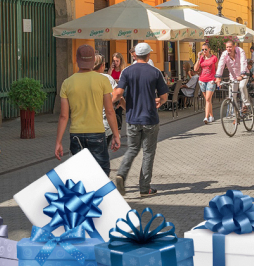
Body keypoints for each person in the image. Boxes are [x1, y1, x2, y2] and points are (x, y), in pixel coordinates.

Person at [55, 45, 121, 176]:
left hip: (76, 134)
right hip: (97, 133)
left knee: (79, 174)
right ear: (92, 61)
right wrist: (116, 135)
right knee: (101, 173)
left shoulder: (67, 83)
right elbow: (109, 111)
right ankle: (98, 195)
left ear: (76, 59)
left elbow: (63, 116)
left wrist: (58, 142)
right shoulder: (102, 80)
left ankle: (84, 195)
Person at [114, 43, 169, 198]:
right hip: (150, 118)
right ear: (149, 55)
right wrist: (160, 101)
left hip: (132, 118)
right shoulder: (155, 72)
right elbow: (164, 96)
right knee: (148, 152)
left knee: (132, 149)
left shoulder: (127, 71)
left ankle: (121, 175)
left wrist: (110, 103)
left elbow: (118, 93)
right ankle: (144, 188)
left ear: (135, 55)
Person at [93, 53, 125, 146]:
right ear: (102, 65)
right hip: (103, 126)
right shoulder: (106, 78)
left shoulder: (80, 78)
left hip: (83, 128)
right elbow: (118, 95)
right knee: (101, 156)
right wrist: (116, 135)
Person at [215, 40, 251, 113]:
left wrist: (242, 74)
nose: (229, 49)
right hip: (233, 76)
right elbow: (221, 65)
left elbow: (243, 62)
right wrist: (218, 77)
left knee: (241, 86)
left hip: (243, 74)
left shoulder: (240, 51)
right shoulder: (224, 54)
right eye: (227, 47)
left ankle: (246, 105)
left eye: (230, 47)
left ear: (234, 47)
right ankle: (235, 113)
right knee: (232, 94)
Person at [194, 42, 217, 123]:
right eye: (202, 49)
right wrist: (198, 58)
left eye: (205, 49)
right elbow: (195, 69)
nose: (204, 51)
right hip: (202, 80)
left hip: (211, 80)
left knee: (207, 99)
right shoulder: (201, 58)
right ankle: (212, 116)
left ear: (209, 49)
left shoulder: (214, 58)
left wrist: (217, 78)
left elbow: (217, 68)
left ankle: (206, 117)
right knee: (208, 100)